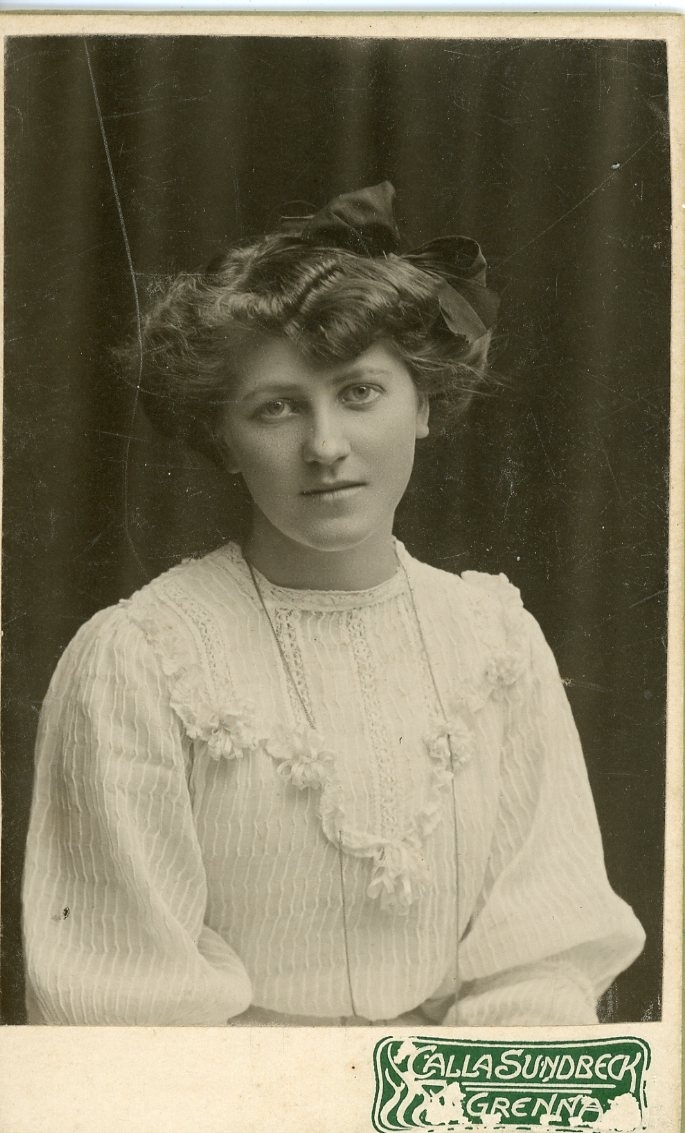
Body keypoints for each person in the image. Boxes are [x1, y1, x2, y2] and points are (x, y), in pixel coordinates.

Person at [22, 182, 645, 1027]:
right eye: (277, 407)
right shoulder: (139, 658)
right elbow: (121, 1006)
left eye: (358, 393)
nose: (324, 446)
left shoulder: (495, 642)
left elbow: (541, 962)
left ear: (422, 404)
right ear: (224, 438)